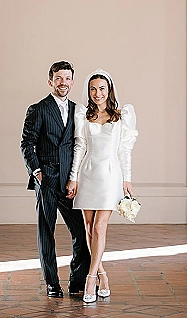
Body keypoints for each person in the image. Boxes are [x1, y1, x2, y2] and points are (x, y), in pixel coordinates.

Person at [66, 68, 138, 304]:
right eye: (93, 89)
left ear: (109, 90)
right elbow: (79, 147)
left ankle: (90, 277)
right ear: (89, 91)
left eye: (102, 88)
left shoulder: (122, 115)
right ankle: (103, 274)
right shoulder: (82, 115)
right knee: (88, 227)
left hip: (110, 176)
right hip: (87, 173)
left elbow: (124, 150)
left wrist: (127, 178)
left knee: (99, 227)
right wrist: (74, 177)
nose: (98, 93)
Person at [20, 60, 90, 298]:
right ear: (50, 81)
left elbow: (79, 145)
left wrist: (75, 178)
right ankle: (52, 283)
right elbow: (27, 143)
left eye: (67, 78)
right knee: (46, 232)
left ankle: (77, 281)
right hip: (47, 180)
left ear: (72, 81)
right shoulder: (38, 109)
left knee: (81, 232)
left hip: (69, 182)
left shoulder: (77, 110)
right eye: (58, 78)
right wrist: (37, 171)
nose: (63, 82)